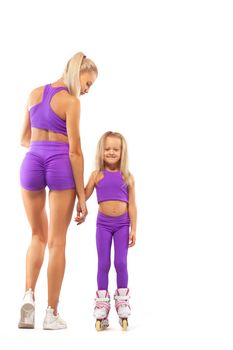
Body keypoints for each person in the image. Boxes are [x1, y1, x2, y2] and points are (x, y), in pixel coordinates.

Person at [18, 52, 98, 330]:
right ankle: (51, 313)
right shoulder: (71, 102)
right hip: (60, 164)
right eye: (87, 84)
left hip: (32, 162)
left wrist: (42, 150)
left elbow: (24, 138)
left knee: (37, 235)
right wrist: (82, 197)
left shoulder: (34, 93)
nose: (87, 91)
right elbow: (75, 152)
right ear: (77, 75)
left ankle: (28, 295)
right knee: (57, 242)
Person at [76, 131, 137, 331]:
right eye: (107, 148)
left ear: (122, 152)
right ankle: (102, 303)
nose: (111, 152)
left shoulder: (127, 177)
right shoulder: (96, 175)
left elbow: (133, 206)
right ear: (101, 151)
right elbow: (84, 197)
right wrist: (81, 211)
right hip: (102, 224)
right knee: (103, 263)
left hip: (122, 225)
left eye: (115, 149)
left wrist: (133, 229)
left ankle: (122, 301)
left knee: (120, 262)